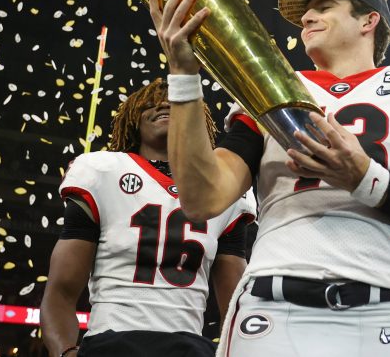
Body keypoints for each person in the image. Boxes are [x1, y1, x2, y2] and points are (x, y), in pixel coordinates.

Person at [149, 0, 390, 356]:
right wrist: (183, 75)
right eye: (305, 13)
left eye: (324, 7)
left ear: (368, 20)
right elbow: (201, 198)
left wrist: (366, 179)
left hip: (385, 311)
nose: (307, 18)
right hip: (272, 306)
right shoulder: (270, 87)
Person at [40, 78, 255, 357]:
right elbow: (61, 290)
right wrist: (66, 352)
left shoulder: (227, 190)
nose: (164, 104)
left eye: (176, 102)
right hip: (113, 340)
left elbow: (234, 304)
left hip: (188, 346)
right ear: (132, 120)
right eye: (150, 105)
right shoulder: (102, 170)